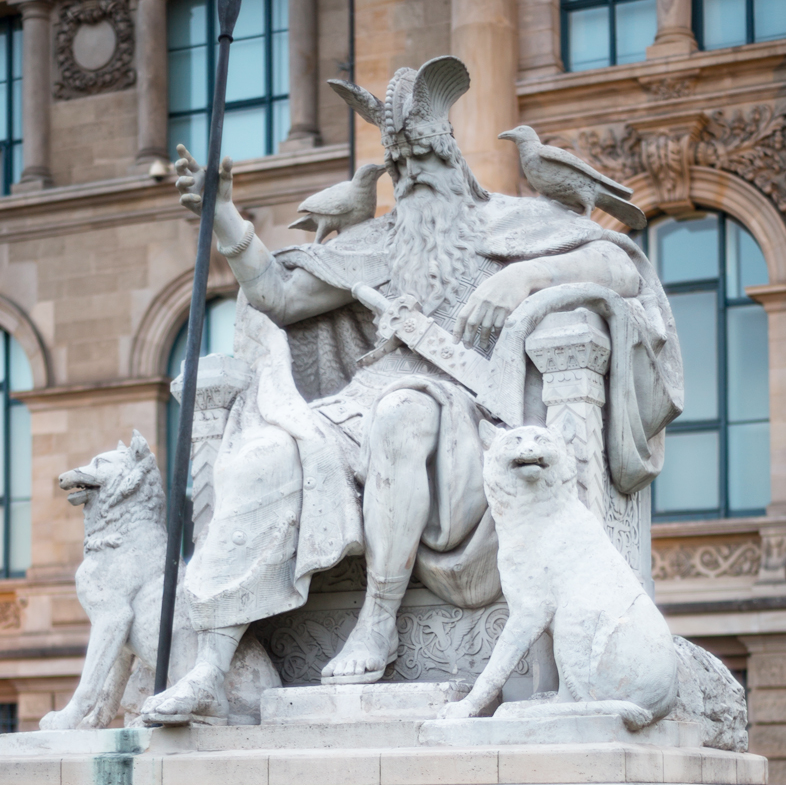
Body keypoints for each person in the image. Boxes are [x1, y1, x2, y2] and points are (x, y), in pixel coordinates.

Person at [142, 56, 681, 725]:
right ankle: (211, 668)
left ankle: (378, 622)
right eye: (400, 168)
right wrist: (225, 218)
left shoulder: (514, 223)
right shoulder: (379, 242)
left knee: (403, 413)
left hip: (471, 415)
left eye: (424, 160)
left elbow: (619, 266)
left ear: (456, 160)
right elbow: (277, 295)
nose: (413, 178)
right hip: (362, 402)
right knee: (262, 456)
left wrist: (524, 278)